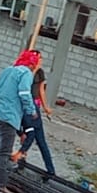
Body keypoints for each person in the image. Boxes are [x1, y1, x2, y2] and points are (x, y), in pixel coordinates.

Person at [0, 50, 38, 193]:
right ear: (31, 65)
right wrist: (31, 110)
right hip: (10, 117)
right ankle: (0, 185)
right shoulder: (26, 74)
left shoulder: (8, 70)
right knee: (4, 152)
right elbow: (24, 93)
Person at [11, 49, 56, 179]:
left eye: (40, 58)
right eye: (38, 58)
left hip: (34, 106)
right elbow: (24, 85)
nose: (40, 61)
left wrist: (46, 107)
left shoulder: (40, 73)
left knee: (38, 138)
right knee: (27, 134)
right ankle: (21, 159)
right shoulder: (26, 71)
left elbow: (41, 90)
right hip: (25, 105)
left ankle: (50, 169)